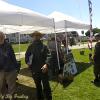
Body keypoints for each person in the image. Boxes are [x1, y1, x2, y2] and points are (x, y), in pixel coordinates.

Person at [25, 31, 52, 100]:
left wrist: (46, 65)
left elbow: (49, 56)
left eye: (38, 35)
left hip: (44, 70)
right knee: (38, 87)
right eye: (35, 35)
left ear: (40, 37)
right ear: (33, 37)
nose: (36, 36)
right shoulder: (30, 47)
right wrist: (28, 62)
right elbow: (26, 57)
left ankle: (49, 98)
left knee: (46, 87)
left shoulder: (44, 46)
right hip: (34, 70)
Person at [0, 31, 17, 98]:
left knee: (11, 88)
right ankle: (3, 97)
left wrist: (15, 68)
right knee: (1, 87)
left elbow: (13, 56)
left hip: (10, 70)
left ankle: (11, 97)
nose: (0, 38)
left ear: (3, 37)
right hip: (1, 70)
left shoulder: (8, 45)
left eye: (1, 36)